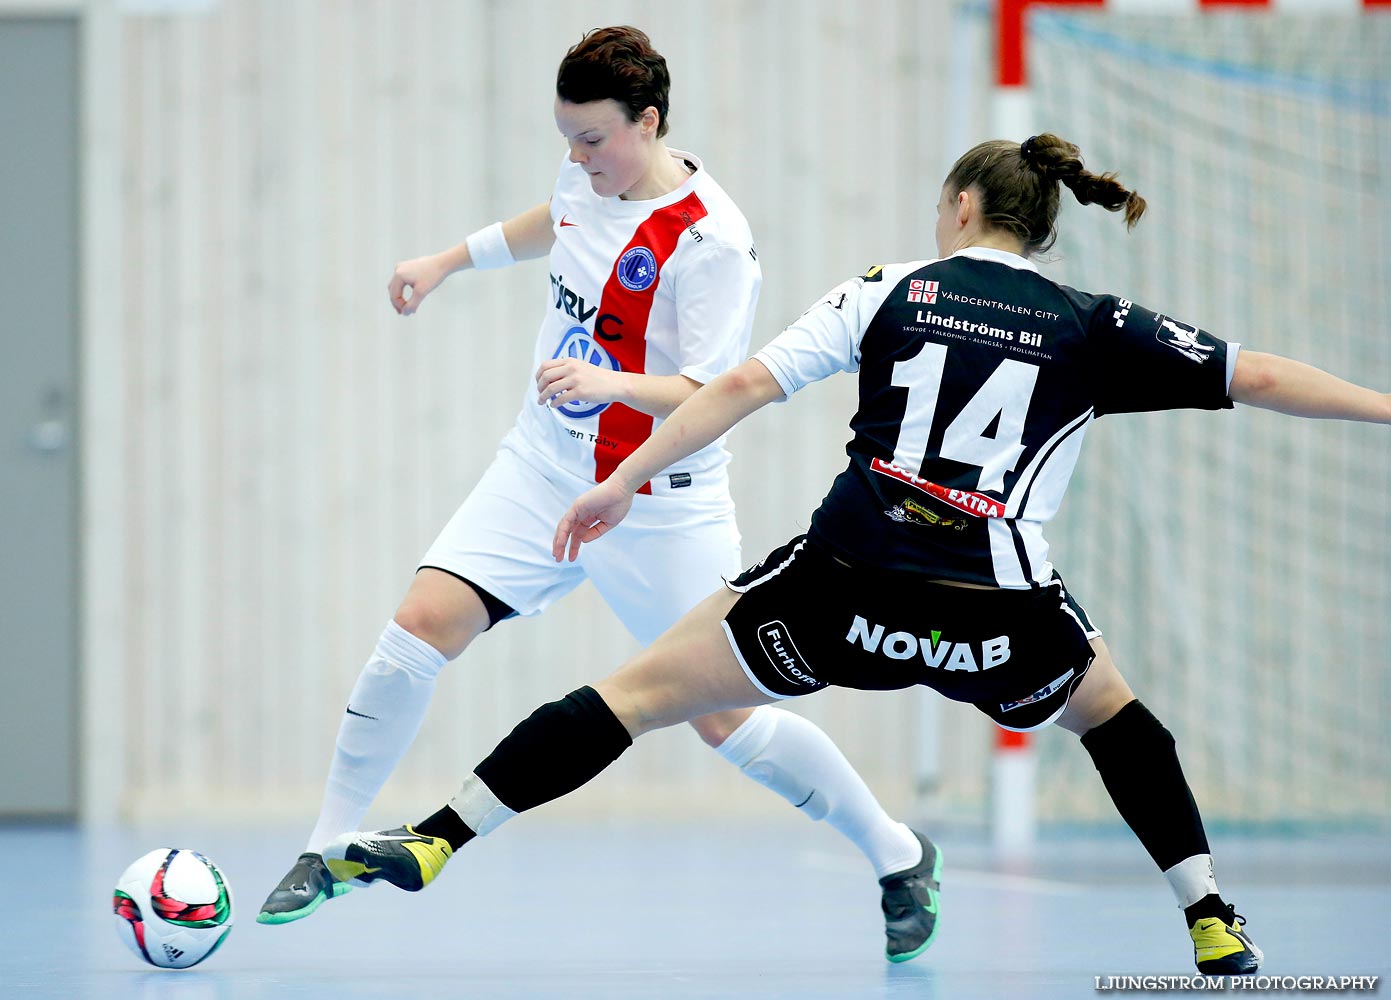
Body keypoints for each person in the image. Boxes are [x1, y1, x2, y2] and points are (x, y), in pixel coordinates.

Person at [320, 131, 1391, 974]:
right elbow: (1252, 374)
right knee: (1118, 719)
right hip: (995, 608)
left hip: (840, 584)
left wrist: (615, 479)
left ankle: (437, 835)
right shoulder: (1088, 320)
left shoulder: (890, 286)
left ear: (959, 207)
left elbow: (738, 386)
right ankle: (1207, 917)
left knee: (635, 696)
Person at [258, 25, 939, 962]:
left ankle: (899, 856)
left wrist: (610, 383)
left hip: (663, 503)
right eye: (566, 139)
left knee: (724, 718)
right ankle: (325, 842)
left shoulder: (712, 241)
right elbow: (553, 222)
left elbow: (712, 390)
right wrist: (445, 261)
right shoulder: (585, 180)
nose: (575, 160)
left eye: (592, 140)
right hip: (544, 468)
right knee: (417, 624)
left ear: (647, 122)